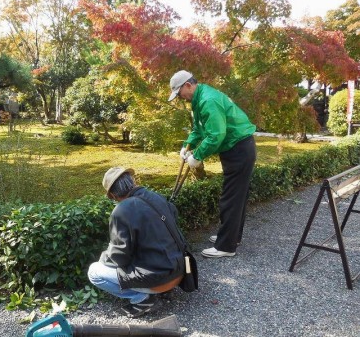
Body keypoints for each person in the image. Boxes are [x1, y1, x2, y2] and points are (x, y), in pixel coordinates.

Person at [168, 70, 257, 258]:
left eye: (179, 93)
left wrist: (197, 156)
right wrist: (187, 145)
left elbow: (216, 135)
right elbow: (199, 129)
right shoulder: (199, 99)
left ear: (188, 85)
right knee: (237, 197)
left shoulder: (208, 100)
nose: (180, 98)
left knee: (230, 198)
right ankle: (232, 237)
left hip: (238, 150)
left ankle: (226, 246)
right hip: (237, 148)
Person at [88, 167, 185, 318]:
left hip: (160, 279)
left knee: (94, 272)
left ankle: (142, 299)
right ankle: (164, 291)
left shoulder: (121, 211)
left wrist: (103, 258)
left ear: (112, 195)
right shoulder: (156, 196)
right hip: (180, 271)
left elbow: (118, 257)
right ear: (132, 182)